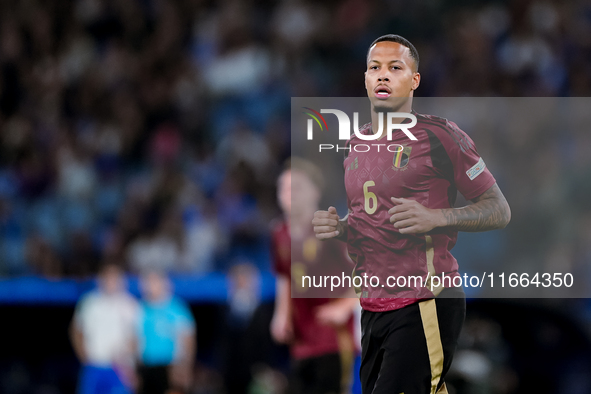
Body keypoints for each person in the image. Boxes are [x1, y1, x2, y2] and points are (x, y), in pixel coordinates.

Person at [312, 34, 511, 394]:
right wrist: (341, 228)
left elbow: (499, 210)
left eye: (395, 67)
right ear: (366, 78)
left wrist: (439, 217)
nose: (383, 76)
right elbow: (370, 220)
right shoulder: (355, 143)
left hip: (425, 299)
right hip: (372, 305)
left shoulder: (441, 136)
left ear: (414, 80)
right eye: (375, 68)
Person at [270, 157, 360, 394]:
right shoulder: (279, 234)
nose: (289, 194)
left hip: (334, 340)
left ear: (314, 193)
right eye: (284, 188)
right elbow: (284, 276)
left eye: (296, 188)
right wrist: (281, 315)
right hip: (300, 342)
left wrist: (344, 307)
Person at [70, 264, 139, 394]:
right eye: (107, 278)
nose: (111, 282)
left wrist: (127, 361)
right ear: (100, 280)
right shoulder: (89, 303)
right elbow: (76, 330)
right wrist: (84, 356)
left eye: (114, 278)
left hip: (120, 367)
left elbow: (136, 337)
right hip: (94, 365)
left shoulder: (130, 304)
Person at [136, 271, 196, 394]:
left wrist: (185, 367)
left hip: (171, 365)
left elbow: (188, 339)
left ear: (164, 284)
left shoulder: (177, 309)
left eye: (154, 282)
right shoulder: (139, 309)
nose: (150, 286)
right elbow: (134, 339)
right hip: (146, 365)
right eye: (147, 282)